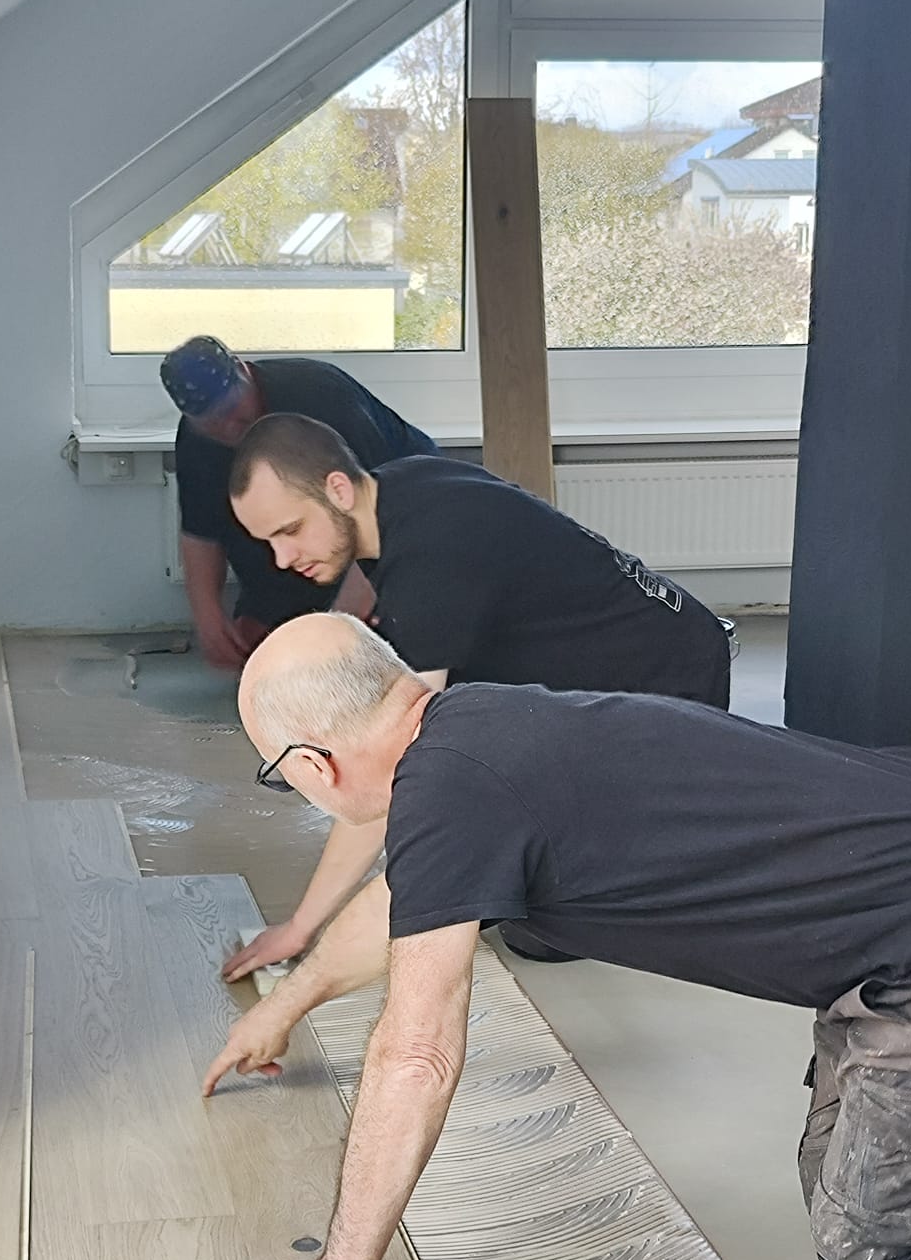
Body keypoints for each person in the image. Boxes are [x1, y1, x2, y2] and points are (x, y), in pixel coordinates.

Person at [163, 616, 911, 1260]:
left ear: (312, 764)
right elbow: (405, 900)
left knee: (874, 1254)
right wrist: (286, 1004)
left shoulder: (453, 791)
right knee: (841, 1177)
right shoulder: (475, 729)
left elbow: (416, 1057)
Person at [220, 413, 735, 984]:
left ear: (338, 488)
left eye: (290, 530)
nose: (282, 558)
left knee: (542, 930)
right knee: (488, 868)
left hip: (668, 684)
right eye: (268, 541)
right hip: (632, 652)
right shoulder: (400, 488)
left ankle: (674, 842)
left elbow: (394, 767)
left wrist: (302, 928)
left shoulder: (435, 560)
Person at [160, 335, 438, 671]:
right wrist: (209, 619)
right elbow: (200, 531)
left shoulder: (321, 396)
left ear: (244, 372)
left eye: (232, 411)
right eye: (212, 424)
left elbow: (381, 516)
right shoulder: (196, 440)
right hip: (319, 538)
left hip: (405, 520)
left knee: (372, 654)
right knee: (264, 654)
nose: (229, 428)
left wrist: (337, 632)